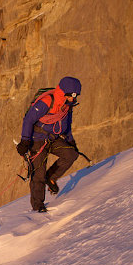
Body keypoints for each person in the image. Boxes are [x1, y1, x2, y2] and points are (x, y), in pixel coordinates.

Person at [16, 76, 82, 212]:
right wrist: (25, 141)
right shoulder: (47, 101)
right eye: (71, 96)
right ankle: (38, 206)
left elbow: (67, 125)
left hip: (53, 138)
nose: (73, 99)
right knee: (38, 173)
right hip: (37, 140)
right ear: (64, 93)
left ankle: (51, 177)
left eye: (75, 96)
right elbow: (28, 120)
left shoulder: (67, 106)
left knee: (71, 155)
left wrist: (71, 141)